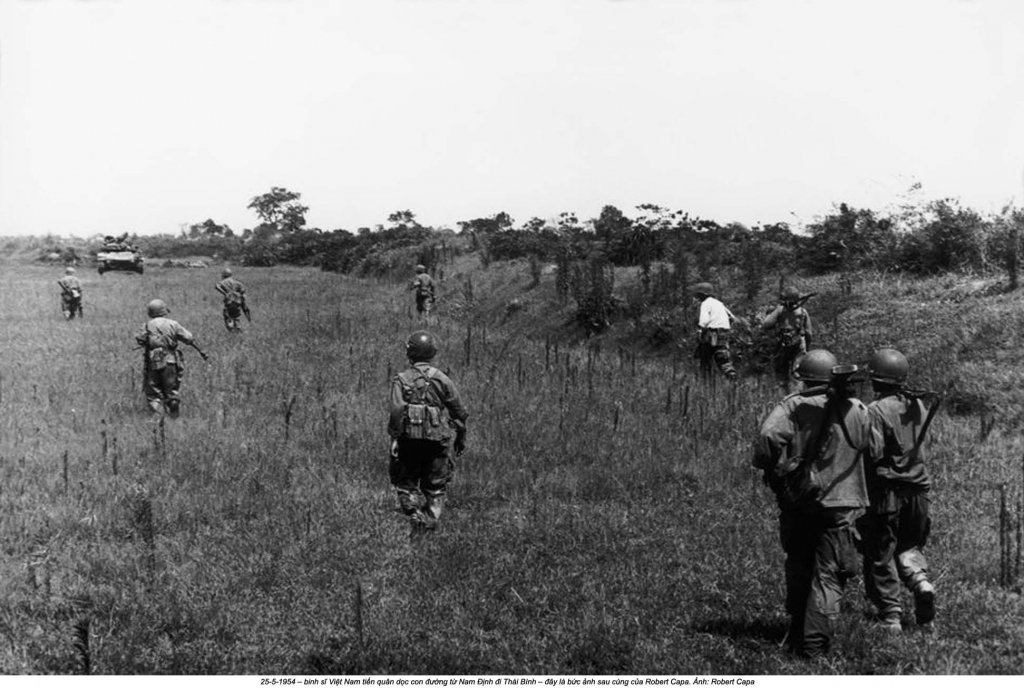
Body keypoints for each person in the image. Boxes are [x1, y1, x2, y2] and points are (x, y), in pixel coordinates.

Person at [753, 349, 871, 658]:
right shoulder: (858, 409)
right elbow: (873, 448)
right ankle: (815, 645)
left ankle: (797, 627)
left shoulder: (794, 405)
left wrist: (771, 469)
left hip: (802, 501)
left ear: (804, 378)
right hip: (843, 504)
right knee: (829, 573)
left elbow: (767, 439)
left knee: (799, 561)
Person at [858, 348, 936, 632]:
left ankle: (890, 616)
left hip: (887, 491)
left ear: (877, 381)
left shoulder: (876, 410)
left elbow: (875, 453)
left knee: (880, 552)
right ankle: (921, 582)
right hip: (919, 489)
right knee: (908, 545)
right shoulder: (919, 406)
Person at [387, 330, 468, 532]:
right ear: (432, 353)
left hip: (409, 441)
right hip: (437, 440)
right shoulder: (442, 378)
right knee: (436, 485)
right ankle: (429, 523)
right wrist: (460, 436)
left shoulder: (402, 379)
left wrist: (394, 440)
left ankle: (414, 514)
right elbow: (459, 412)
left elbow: (397, 411)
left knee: (406, 482)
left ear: (410, 354)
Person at [134, 299, 209, 417]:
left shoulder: (147, 325)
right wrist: (201, 351)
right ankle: (174, 415)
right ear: (164, 310)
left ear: (150, 312)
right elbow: (189, 338)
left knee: (153, 394)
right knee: (171, 391)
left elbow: (140, 340)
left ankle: (159, 417)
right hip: (170, 360)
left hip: (153, 361)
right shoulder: (173, 324)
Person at [762, 285, 813, 391]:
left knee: (781, 372)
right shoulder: (803, 312)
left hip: (783, 345)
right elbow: (809, 333)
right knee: (798, 373)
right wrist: (807, 348)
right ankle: (798, 397)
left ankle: (782, 397)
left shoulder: (780, 310)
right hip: (799, 344)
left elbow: (766, 324)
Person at [691, 282, 737, 380]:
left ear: (702, 295)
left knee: (705, 357)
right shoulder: (719, 303)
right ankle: (731, 376)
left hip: (712, 333)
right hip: (724, 332)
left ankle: (706, 382)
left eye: (697, 295)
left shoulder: (705, 303)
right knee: (723, 357)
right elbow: (732, 317)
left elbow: (704, 320)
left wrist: (700, 330)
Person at [214, 267, 249, 332]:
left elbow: (216, 286)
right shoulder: (237, 282)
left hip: (229, 302)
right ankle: (238, 330)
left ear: (224, 275)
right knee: (236, 317)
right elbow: (243, 292)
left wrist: (225, 293)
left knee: (228, 317)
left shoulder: (223, 281)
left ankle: (233, 331)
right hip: (237, 303)